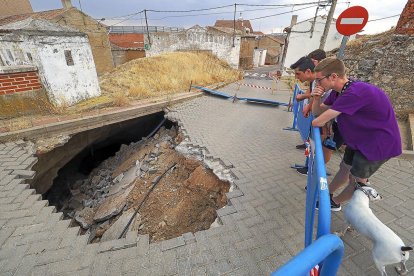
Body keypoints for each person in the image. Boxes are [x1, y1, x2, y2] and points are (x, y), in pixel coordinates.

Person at [311, 57, 402, 211]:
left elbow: (317, 122)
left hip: (378, 144)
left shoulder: (355, 92)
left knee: (356, 180)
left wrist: (318, 117)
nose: (317, 84)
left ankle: (334, 203)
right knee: (345, 168)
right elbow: (317, 113)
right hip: (360, 140)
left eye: (319, 80)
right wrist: (316, 97)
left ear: (333, 77)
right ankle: (327, 195)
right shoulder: (339, 91)